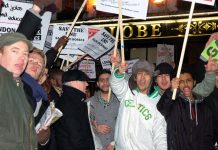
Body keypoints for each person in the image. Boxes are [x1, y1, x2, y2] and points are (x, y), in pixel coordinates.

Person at [110, 58, 167, 150]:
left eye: (146, 74)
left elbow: (160, 133)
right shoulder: (127, 92)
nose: (142, 78)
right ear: (135, 78)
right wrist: (120, 72)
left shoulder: (159, 102)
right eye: (139, 74)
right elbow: (115, 83)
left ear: (152, 78)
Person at [157, 66, 216, 150]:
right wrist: (171, 90)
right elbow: (162, 107)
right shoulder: (173, 103)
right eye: (181, 81)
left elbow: (209, 134)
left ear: (194, 82)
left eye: (188, 80)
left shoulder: (204, 105)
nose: (185, 84)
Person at [0, 32, 37, 149]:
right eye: (14, 51)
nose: (22, 58)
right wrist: (34, 14)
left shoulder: (17, 84)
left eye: (25, 54)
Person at [54, 69, 95, 150]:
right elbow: (76, 136)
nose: (86, 84)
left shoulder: (70, 100)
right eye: (84, 81)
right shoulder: (70, 103)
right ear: (74, 82)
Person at [87, 69, 120, 150]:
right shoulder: (89, 103)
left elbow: (126, 125)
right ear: (98, 84)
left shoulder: (120, 102)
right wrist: (96, 128)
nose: (105, 83)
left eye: (108, 80)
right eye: (102, 80)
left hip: (117, 146)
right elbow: (83, 124)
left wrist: (114, 143)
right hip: (96, 146)